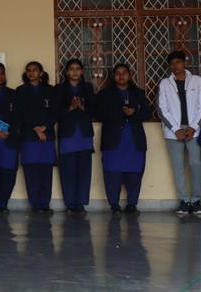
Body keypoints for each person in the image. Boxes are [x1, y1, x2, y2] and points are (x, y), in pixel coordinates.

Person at [98, 64, 151, 214]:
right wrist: (120, 112)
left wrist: (134, 113)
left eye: (124, 73)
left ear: (130, 75)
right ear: (113, 76)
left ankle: (132, 205)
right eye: (117, 73)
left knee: (135, 174)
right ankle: (114, 205)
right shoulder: (105, 93)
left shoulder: (138, 93)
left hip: (134, 140)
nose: (121, 76)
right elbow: (99, 114)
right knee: (112, 174)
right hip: (113, 140)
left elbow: (147, 114)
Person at [157, 50, 201, 215]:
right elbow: (162, 109)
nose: (175, 66)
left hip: (194, 130)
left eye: (178, 62)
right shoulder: (164, 83)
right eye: (172, 63)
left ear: (185, 63)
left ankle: (196, 200)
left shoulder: (197, 81)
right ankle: (183, 200)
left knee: (196, 164)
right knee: (178, 167)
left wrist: (193, 127)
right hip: (173, 132)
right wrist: (176, 129)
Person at [55, 59, 96, 214]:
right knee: (68, 170)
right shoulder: (59, 89)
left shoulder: (87, 87)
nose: (74, 72)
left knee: (84, 170)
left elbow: (95, 110)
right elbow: (55, 113)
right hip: (67, 134)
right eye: (71, 69)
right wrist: (70, 108)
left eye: (78, 69)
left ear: (82, 71)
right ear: (66, 72)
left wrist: (82, 107)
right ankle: (70, 203)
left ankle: (80, 203)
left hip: (84, 134)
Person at [16, 61, 58, 214]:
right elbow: (20, 113)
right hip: (29, 136)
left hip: (47, 136)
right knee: (31, 171)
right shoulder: (21, 91)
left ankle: (45, 203)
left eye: (35, 70)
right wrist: (35, 128)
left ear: (41, 73)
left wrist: (45, 127)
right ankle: (35, 203)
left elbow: (55, 112)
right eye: (29, 70)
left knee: (46, 171)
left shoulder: (50, 90)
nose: (31, 73)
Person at [0, 62, 20, 214]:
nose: (0, 76)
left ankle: (2, 204)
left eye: (2, 73)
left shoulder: (13, 94)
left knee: (8, 173)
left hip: (9, 138)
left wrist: (9, 132)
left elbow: (18, 117)